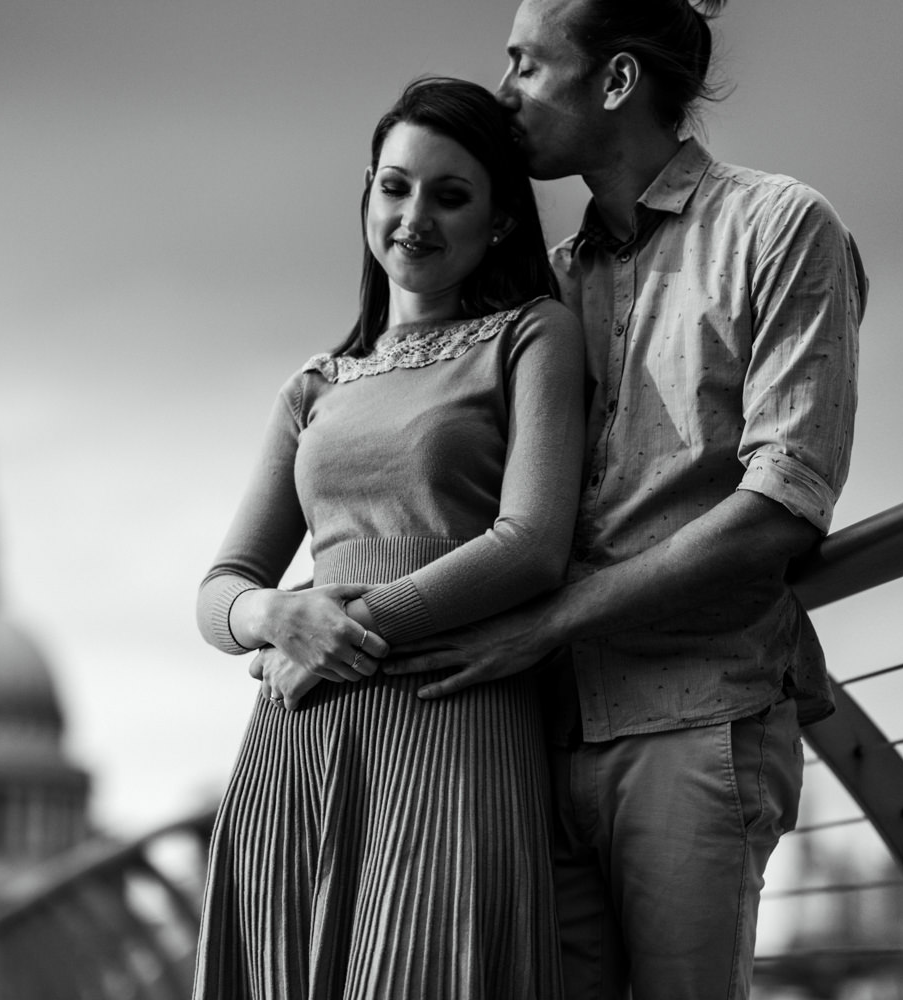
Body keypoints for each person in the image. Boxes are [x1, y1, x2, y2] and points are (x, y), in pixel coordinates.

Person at [385, 2, 868, 998]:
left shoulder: (780, 228)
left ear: (613, 82)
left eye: (527, 62)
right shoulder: (547, 290)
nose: (506, 89)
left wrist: (549, 621)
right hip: (530, 735)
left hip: (695, 718)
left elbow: (781, 502)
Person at [193, 77, 586, 998]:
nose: (416, 216)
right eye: (396, 187)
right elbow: (220, 589)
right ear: (367, 194)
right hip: (294, 745)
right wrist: (277, 616)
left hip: (456, 727)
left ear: (496, 224)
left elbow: (530, 543)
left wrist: (344, 630)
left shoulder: (533, 337)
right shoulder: (313, 388)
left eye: (451, 196)